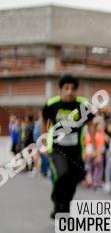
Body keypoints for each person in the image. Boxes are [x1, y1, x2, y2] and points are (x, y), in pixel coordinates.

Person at [41, 75, 94, 217]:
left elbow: (91, 125)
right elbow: (43, 119)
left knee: (73, 179)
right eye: (66, 88)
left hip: (77, 149)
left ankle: (65, 205)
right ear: (61, 89)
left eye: (72, 89)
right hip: (57, 148)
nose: (69, 92)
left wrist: (92, 146)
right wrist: (44, 141)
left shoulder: (83, 105)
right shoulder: (52, 104)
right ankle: (57, 201)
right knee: (63, 174)